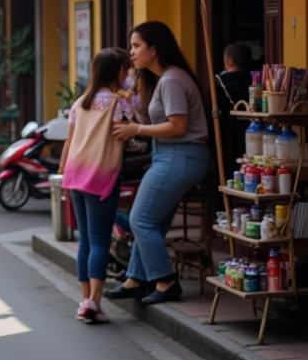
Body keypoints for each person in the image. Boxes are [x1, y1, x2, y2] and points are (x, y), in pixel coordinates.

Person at [106, 21, 211, 305]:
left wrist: (136, 130)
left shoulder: (172, 80)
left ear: (154, 48)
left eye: (137, 46)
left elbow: (178, 127)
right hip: (170, 155)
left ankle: (165, 281)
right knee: (152, 221)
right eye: (131, 46)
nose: (132, 52)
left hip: (181, 154)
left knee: (140, 220)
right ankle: (136, 279)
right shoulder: (164, 79)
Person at [59, 48, 138, 324]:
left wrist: (62, 170)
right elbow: (133, 128)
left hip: (74, 174)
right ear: (118, 72)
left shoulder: (80, 102)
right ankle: (94, 301)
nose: (128, 74)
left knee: (85, 241)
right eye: (126, 70)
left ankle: (85, 300)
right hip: (100, 174)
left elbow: (69, 140)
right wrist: (131, 93)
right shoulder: (119, 103)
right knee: (101, 239)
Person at [217, 41, 252, 177]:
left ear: (229, 61)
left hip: (225, 132)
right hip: (250, 131)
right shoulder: (255, 81)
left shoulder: (219, 83)